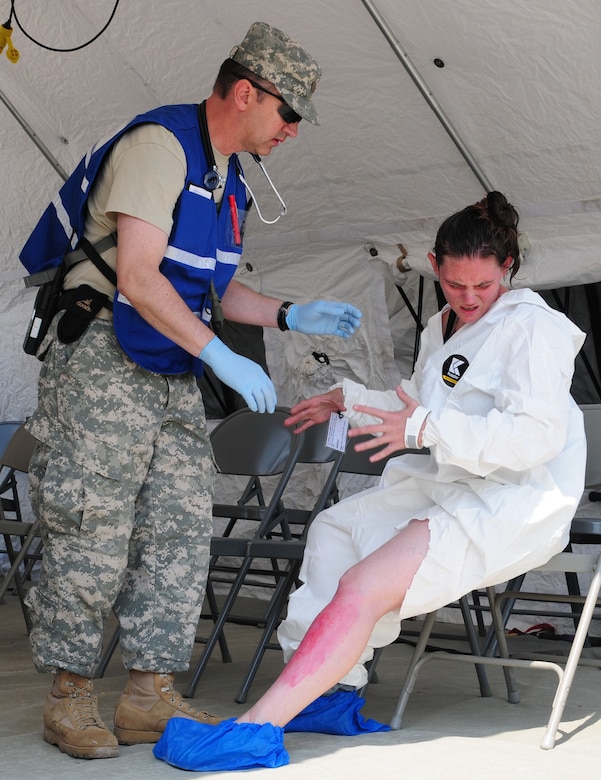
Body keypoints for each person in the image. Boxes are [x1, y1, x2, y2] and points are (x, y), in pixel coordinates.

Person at [19, 21, 362, 761]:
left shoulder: (222, 172)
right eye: (288, 113)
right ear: (246, 92)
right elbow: (139, 276)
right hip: (104, 360)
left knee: (177, 529)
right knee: (93, 527)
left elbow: (209, 286)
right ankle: (69, 698)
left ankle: (148, 694)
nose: (292, 131)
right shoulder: (159, 147)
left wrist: (284, 313)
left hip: (170, 368)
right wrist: (222, 359)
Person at [152, 191, 587, 771]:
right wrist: (346, 399)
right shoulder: (444, 326)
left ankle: (257, 728)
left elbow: (534, 438)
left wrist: (424, 426)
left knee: (363, 585)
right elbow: (411, 402)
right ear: (435, 265)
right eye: (456, 285)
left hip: (509, 499)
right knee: (335, 528)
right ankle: (331, 691)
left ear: (507, 268)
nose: (470, 298)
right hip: (450, 485)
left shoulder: (534, 328)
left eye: (483, 286)